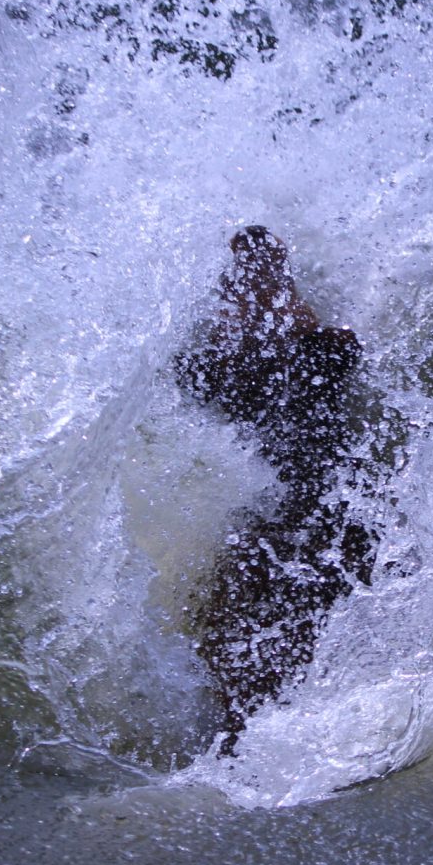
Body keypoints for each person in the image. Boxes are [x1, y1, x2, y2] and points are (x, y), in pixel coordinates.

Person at [174, 226, 381, 751]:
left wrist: (282, 322)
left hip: (328, 516)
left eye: (272, 286)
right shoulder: (212, 367)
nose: (257, 302)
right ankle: (236, 741)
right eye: (242, 291)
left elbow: (342, 346)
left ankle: (285, 739)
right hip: (269, 523)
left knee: (308, 637)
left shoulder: (322, 350)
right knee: (247, 637)